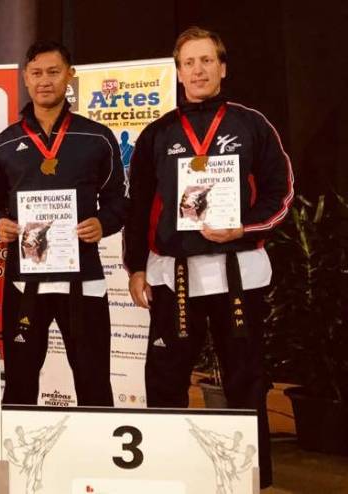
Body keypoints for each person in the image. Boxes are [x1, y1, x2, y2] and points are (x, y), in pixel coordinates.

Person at [123, 27, 293, 490]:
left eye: (206, 61)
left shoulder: (251, 124)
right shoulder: (157, 133)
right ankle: (163, 472)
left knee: (245, 377)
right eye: (188, 63)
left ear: (223, 67)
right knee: (165, 378)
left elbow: (280, 192)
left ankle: (253, 478)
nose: (197, 71)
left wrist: (245, 227)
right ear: (178, 73)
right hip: (172, 274)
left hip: (238, 272)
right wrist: (135, 266)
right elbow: (139, 205)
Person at [0, 40, 127, 406]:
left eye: (53, 72)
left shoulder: (97, 137)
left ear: (69, 76)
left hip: (84, 279)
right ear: (25, 78)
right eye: (36, 73)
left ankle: (98, 445)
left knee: (94, 382)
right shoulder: (3, 145)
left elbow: (118, 201)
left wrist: (103, 223)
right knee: (19, 384)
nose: (44, 81)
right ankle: (18, 446)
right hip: (24, 280)